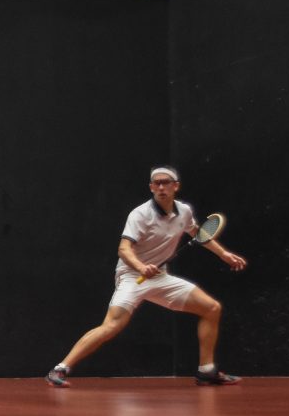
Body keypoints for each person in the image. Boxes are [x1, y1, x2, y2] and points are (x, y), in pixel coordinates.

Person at [46, 166, 247, 388]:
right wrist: (141, 267)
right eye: (157, 183)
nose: (161, 187)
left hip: (160, 278)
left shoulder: (185, 211)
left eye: (166, 182)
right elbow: (123, 249)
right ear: (151, 187)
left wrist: (225, 254)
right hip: (132, 276)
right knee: (112, 325)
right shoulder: (140, 214)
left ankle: (207, 371)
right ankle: (60, 369)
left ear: (175, 186)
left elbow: (200, 234)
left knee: (211, 308)